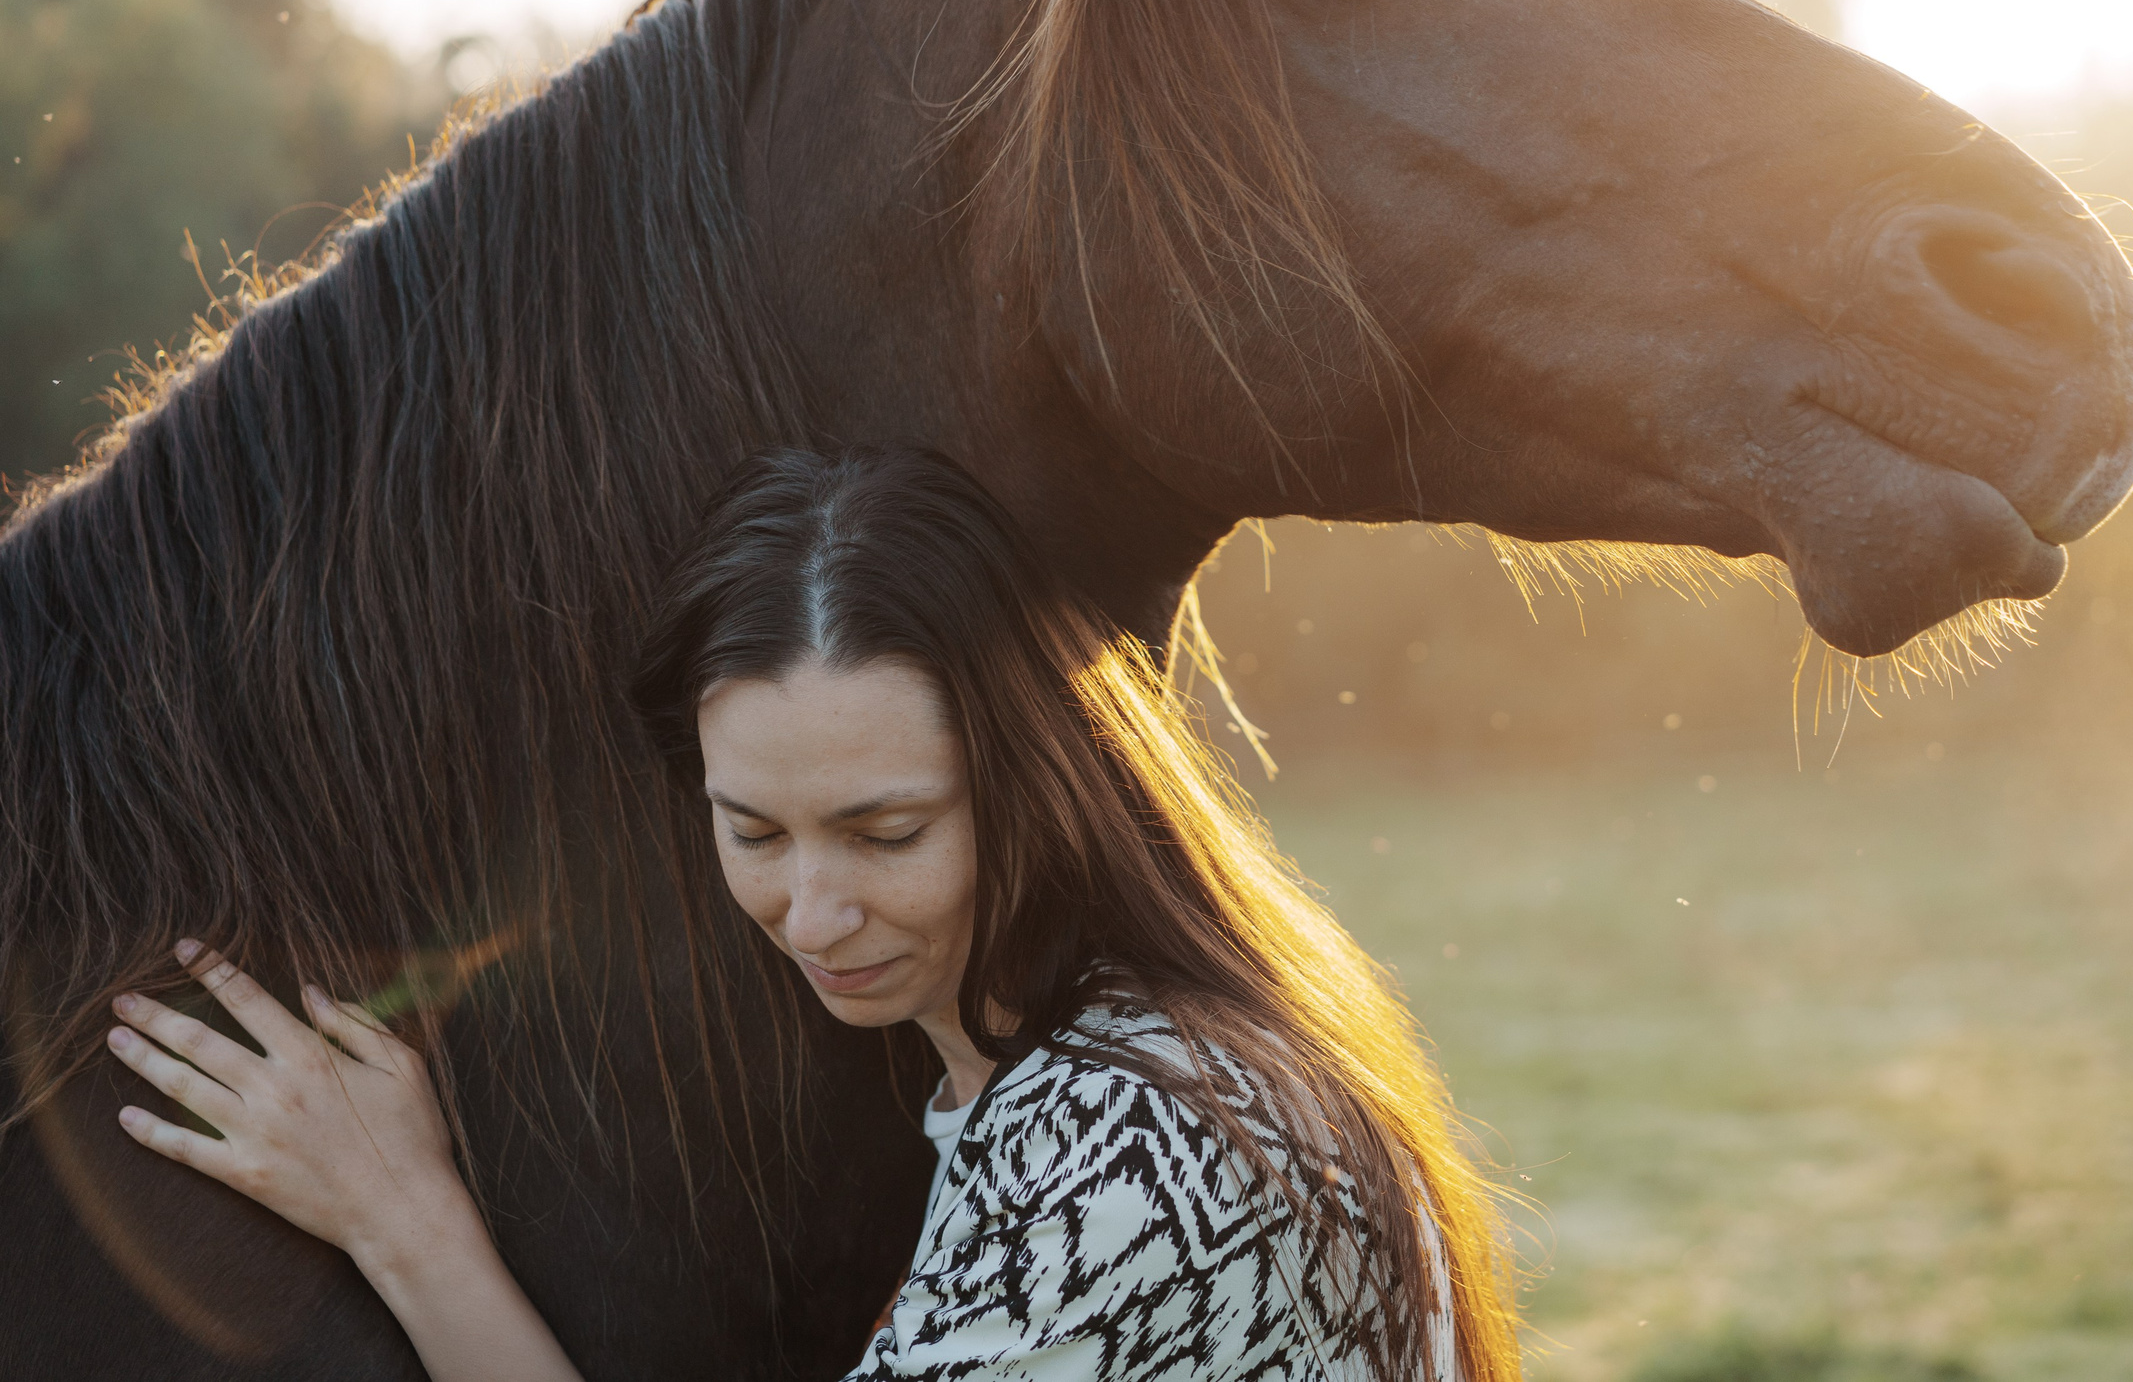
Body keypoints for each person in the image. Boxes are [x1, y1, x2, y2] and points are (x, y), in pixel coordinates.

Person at [101, 445, 1519, 1380]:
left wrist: (403, 1219)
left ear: (1044, 786)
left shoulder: (1130, 1149)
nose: (811, 909)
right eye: (751, 829)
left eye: (886, 830)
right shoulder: (1142, 1062)